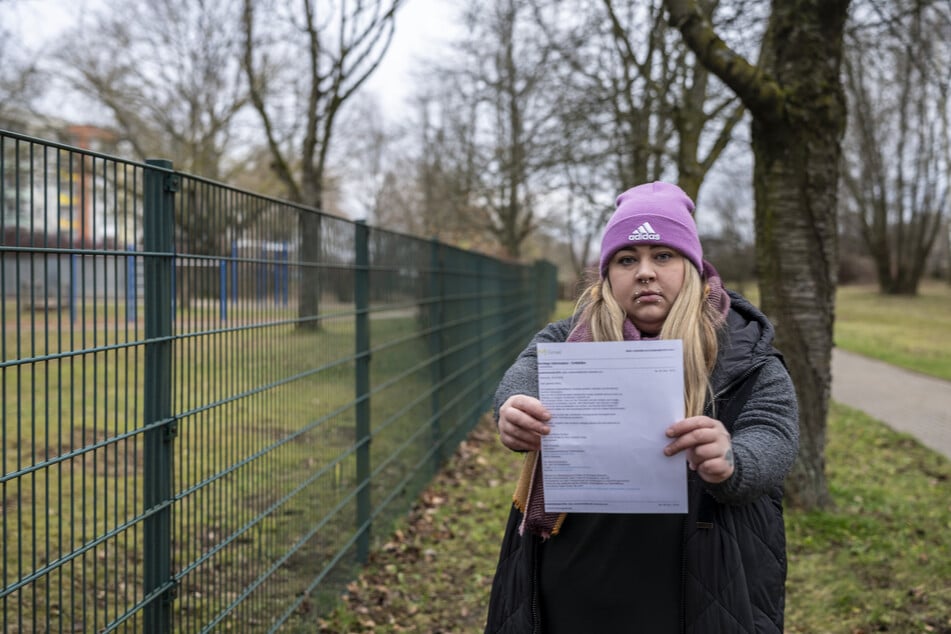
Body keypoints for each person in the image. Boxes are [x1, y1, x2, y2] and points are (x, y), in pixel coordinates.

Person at [484, 181, 799, 634]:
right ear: (608, 274)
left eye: (663, 255)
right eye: (628, 259)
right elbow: (525, 375)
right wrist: (512, 410)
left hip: (699, 587)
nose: (645, 272)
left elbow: (775, 433)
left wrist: (734, 459)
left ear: (692, 266)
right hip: (572, 584)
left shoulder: (746, 351)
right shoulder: (567, 339)